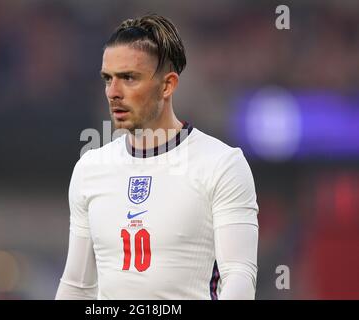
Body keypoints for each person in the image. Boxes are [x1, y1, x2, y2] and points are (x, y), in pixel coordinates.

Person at [55, 14, 259, 300]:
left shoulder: (222, 164)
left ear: (167, 85)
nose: (113, 92)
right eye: (107, 79)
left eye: (128, 78)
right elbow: (77, 286)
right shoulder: (90, 168)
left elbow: (239, 277)